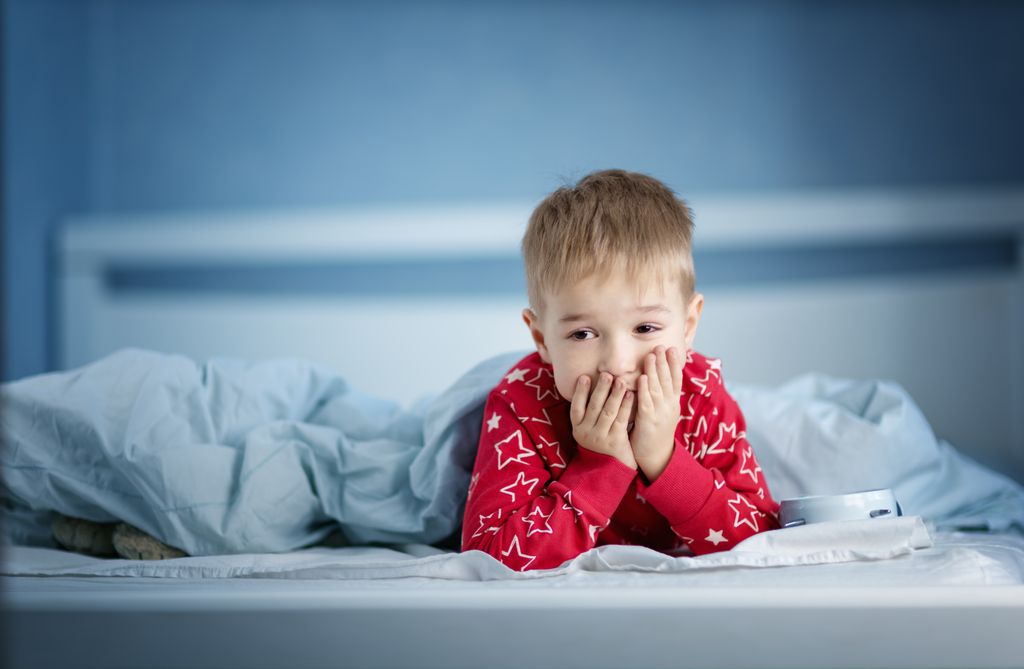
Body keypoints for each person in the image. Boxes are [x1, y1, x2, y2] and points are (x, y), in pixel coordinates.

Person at [461, 169, 779, 571]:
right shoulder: (521, 406)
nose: (617, 362)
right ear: (541, 339)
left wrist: (665, 459)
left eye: (645, 328)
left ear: (687, 326)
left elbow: (761, 540)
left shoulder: (701, 396)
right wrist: (600, 466)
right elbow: (490, 557)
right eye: (582, 334)